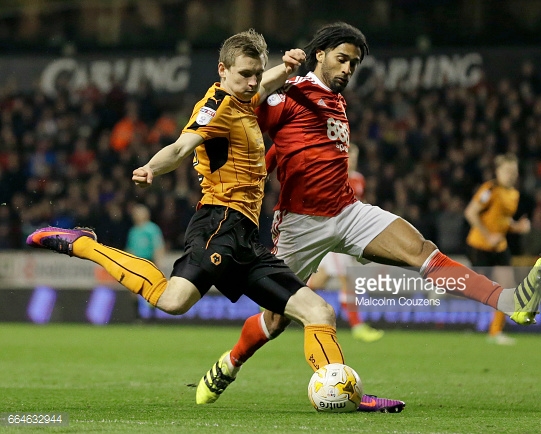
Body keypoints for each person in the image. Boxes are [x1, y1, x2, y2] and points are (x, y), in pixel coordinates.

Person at [196, 22, 541, 408]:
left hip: (348, 211)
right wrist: (281, 73)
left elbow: (293, 149)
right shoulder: (291, 94)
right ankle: (229, 364)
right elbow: (246, 106)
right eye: (342, 59)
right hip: (300, 224)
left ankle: (510, 301)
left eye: (354, 63)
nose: (348, 69)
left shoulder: (337, 102)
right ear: (320, 55)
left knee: (422, 251)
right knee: (276, 319)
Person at [27, 29, 381, 410]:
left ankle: (346, 393)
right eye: (245, 74)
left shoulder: (246, 97)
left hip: (245, 237)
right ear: (222, 70)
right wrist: (150, 167)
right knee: (172, 300)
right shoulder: (217, 107)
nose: (252, 82)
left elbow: (262, 85)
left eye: (256, 74)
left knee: (319, 311)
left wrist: (285, 68)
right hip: (217, 225)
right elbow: (181, 147)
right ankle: (83, 244)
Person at [306, 144, 384, 342]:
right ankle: (357, 325)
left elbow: (359, 206)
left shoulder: (358, 179)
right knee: (347, 279)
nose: (352, 159)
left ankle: (282, 297)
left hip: (349, 236)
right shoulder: (332, 175)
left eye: (355, 156)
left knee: (320, 279)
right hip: (334, 235)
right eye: (349, 155)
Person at [464, 154, 532, 345]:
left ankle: (495, 332)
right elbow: (470, 212)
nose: (511, 175)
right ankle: (443, 287)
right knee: (475, 289)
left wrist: (517, 226)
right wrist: (487, 235)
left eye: (514, 172)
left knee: (507, 287)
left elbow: (502, 220)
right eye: (507, 171)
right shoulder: (489, 189)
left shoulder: (514, 195)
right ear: (498, 172)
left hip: (500, 247)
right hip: (479, 245)